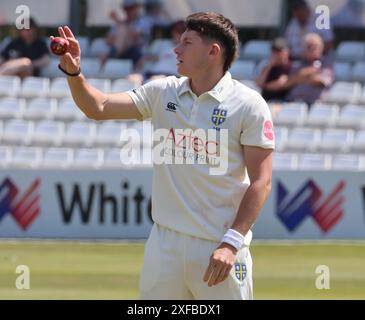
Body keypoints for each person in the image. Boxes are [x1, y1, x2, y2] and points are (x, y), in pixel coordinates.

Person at [53, 11, 274, 299]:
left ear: (213, 51)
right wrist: (74, 72)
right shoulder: (162, 92)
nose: (176, 49)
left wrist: (231, 243)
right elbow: (99, 107)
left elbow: (262, 182)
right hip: (163, 244)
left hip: (218, 247)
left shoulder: (249, 104)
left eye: (186, 43)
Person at [0, 18, 50, 83]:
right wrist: (11, 64)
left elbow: (45, 60)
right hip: (11, 74)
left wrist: (27, 64)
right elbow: (0, 58)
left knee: (25, 62)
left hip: (29, 75)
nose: (27, 31)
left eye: (29, 28)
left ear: (34, 29)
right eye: (23, 29)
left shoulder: (40, 43)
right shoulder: (14, 43)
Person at [284, 33, 334, 106]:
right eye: (308, 47)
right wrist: (306, 73)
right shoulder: (297, 64)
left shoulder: (326, 65)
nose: (311, 50)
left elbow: (320, 82)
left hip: (314, 104)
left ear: (321, 48)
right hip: (292, 101)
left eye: (314, 47)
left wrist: (298, 78)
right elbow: (287, 83)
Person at [100, 0, 148, 67]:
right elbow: (108, 40)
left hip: (135, 53)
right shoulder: (120, 24)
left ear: (136, 8)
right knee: (104, 56)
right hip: (119, 51)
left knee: (123, 32)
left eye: (131, 8)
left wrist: (118, 22)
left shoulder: (143, 22)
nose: (128, 11)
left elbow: (133, 36)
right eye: (126, 8)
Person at [256, 38, 292, 102]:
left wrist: (264, 86)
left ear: (286, 52)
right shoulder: (268, 67)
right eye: (274, 51)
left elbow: (280, 84)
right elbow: (259, 83)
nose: (276, 54)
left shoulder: (290, 66)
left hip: (282, 101)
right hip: (266, 100)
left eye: (279, 51)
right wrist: (270, 65)